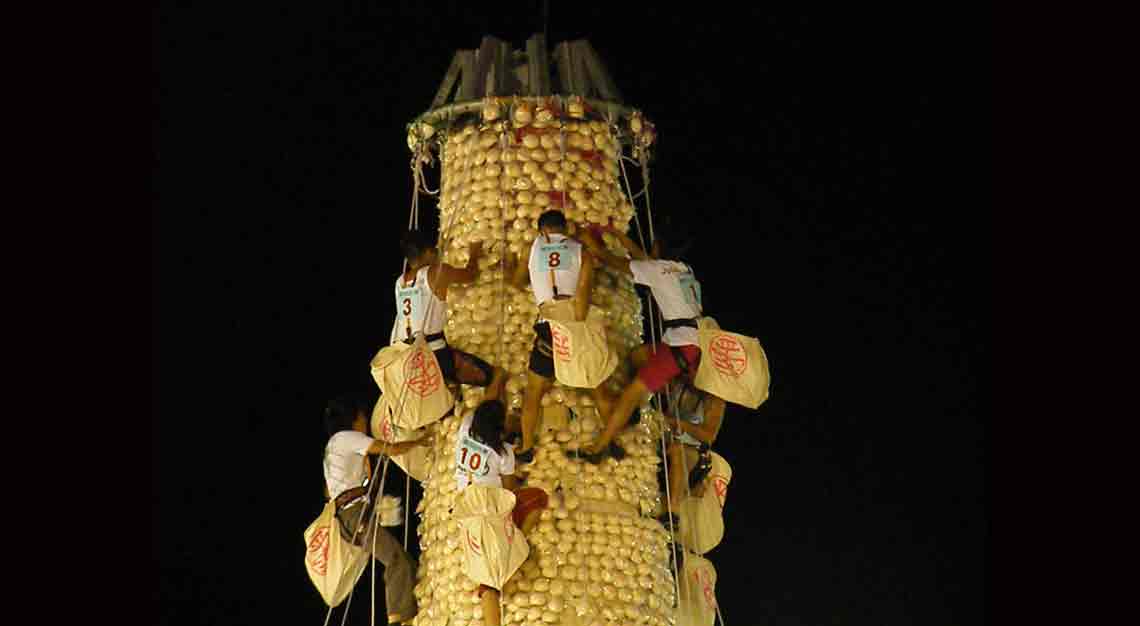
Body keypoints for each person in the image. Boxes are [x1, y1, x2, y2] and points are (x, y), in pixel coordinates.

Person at [580, 229, 706, 459]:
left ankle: (601, 446)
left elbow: (616, 261)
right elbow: (643, 261)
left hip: (681, 347)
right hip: (688, 339)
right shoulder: (683, 268)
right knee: (638, 356)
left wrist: (594, 247)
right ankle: (631, 408)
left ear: (659, 246)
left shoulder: (658, 270)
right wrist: (617, 234)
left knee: (632, 392)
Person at [323, 393, 429, 625]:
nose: (364, 423)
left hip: (348, 516)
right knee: (395, 559)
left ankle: (411, 616)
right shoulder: (346, 437)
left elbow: (328, 492)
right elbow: (389, 449)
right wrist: (421, 441)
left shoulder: (332, 448)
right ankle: (397, 619)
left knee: (407, 564)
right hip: (354, 514)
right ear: (353, 418)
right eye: (362, 417)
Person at [455, 398, 548, 626]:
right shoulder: (504, 453)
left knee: (487, 574)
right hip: (490, 518)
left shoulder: (465, 427)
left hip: (465, 509)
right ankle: (516, 537)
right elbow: (509, 492)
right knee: (538, 498)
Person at [392, 229, 506, 392]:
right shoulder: (436, 272)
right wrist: (474, 252)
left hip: (410, 357)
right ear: (427, 251)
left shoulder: (400, 282)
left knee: (450, 388)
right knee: (494, 376)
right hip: (435, 355)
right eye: (435, 251)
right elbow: (471, 275)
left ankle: (451, 390)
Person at [662, 383, 726, 511]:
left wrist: (682, 425)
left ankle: (673, 510)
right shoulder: (678, 383)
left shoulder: (714, 401)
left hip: (693, 450)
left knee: (677, 450)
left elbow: (709, 436)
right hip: (664, 439)